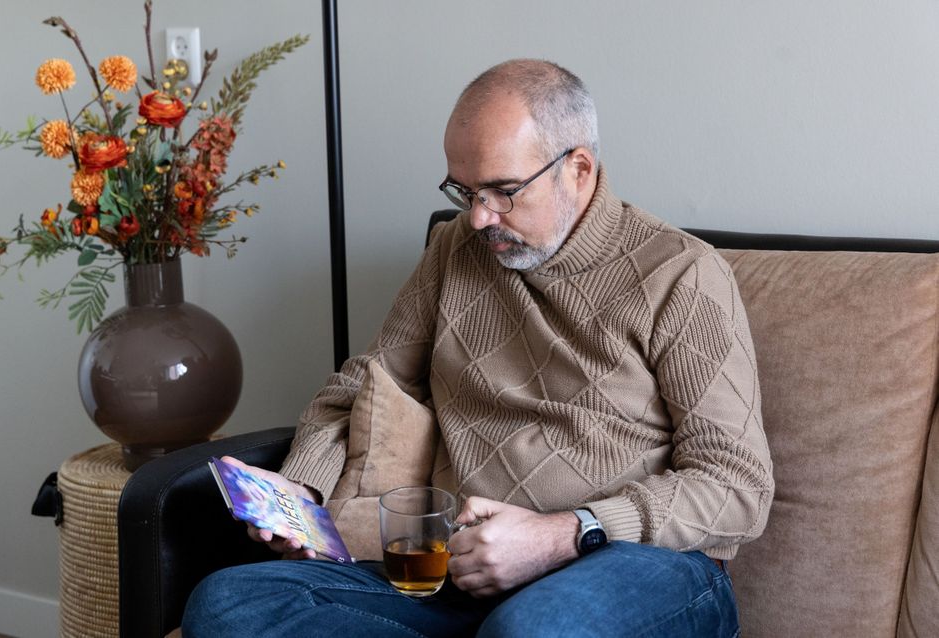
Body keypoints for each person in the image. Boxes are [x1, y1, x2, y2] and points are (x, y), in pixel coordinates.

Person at [182, 58, 774, 637]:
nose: (477, 217)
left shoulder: (681, 274)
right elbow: (363, 384)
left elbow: (738, 485)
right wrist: (302, 489)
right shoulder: (454, 252)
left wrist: (562, 533)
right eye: (463, 191)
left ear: (580, 169)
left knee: (531, 628)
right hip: (458, 577)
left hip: (634, 567)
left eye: (503, 191)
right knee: (228, 603)